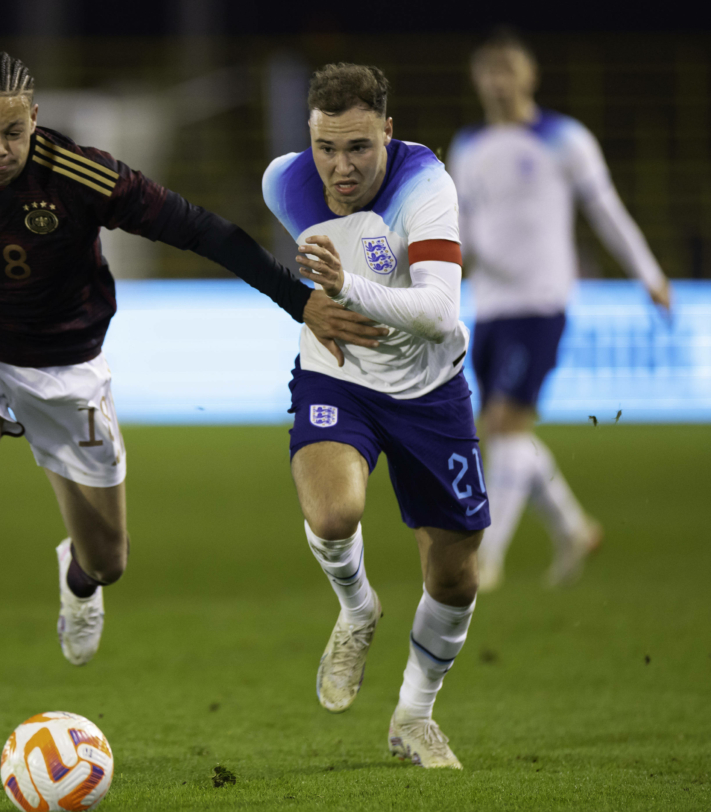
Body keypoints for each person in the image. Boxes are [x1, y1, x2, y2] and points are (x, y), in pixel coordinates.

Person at [0, 51, 385, 770]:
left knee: (108, 560)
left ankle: (76, 579)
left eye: (13, 131)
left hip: (67, 371)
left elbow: (204, 230)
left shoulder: (82, 176)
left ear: (35, 120)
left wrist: (302, 304)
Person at [262, 63, 489, 769]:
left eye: (359, 146)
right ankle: (358, 609)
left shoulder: (427, 186)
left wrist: (343, 286)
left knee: (455, 580)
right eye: (326, 147)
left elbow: (437, 313)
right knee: (333, 515)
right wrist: (310, 305)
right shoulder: (283, 181)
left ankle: (414, 716)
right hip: (341, 376)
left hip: (430, 389)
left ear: (388, 132)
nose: (340, 166)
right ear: (309, 137)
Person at [447, 30, 672, 592]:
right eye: (488, 72)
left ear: (529, 77)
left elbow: (606, 209)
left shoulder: (564, 138)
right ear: (478, 80)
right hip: (491, 307)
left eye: (508, 71)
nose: (498, 82)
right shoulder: (467, 146)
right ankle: (573, 528)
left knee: (504, 425)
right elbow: (460, 230)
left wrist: (649, 273)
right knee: (502, 434)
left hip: (542, 303)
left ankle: (486, 559)